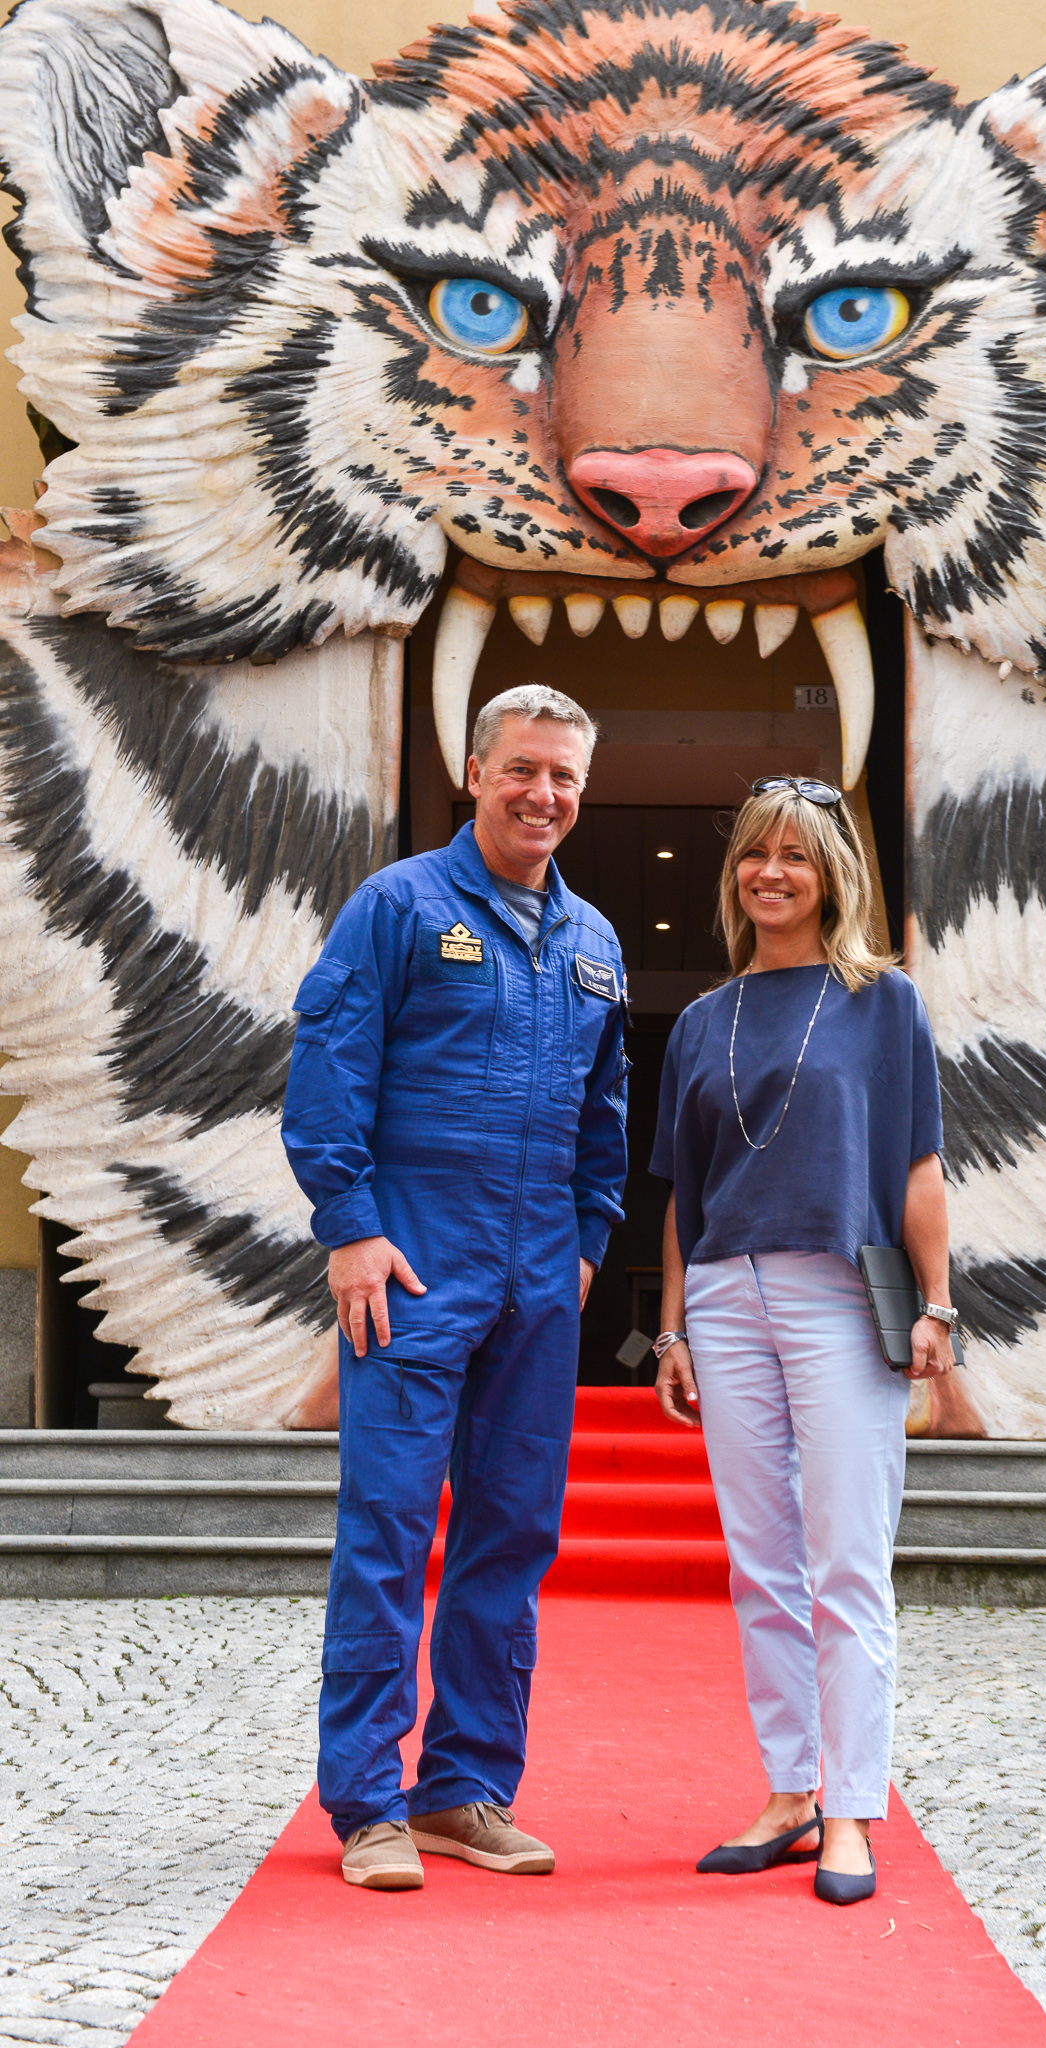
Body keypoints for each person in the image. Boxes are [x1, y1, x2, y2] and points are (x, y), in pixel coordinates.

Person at [282, 684, 628, 1892]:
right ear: (473, 772)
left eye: (564, 775)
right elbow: (327, 1066)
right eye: (522, 768)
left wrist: (588, 1238)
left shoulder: (594, 941)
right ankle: (368, 1801)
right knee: (387, 1527)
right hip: (414, 1264)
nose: (543, 793)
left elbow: (604, 1107)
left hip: (538, 1277)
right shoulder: (398, 905)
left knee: (511, 1532)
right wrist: (350, 1229)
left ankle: (463, 1787)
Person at [650, 777, 955, 1907]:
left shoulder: (884, 1002)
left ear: (833, 875)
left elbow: (918, 1166)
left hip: (838, 1290)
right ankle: (787, 1791)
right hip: (725, 1295)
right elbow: (681, 1195)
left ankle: (851, 1809)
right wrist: (671, 1327)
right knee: (760, 1560)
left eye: (794, 856)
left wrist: (937, 1304)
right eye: (752, 854)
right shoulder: (701, 1021)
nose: (769, 873)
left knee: (846, 1559)